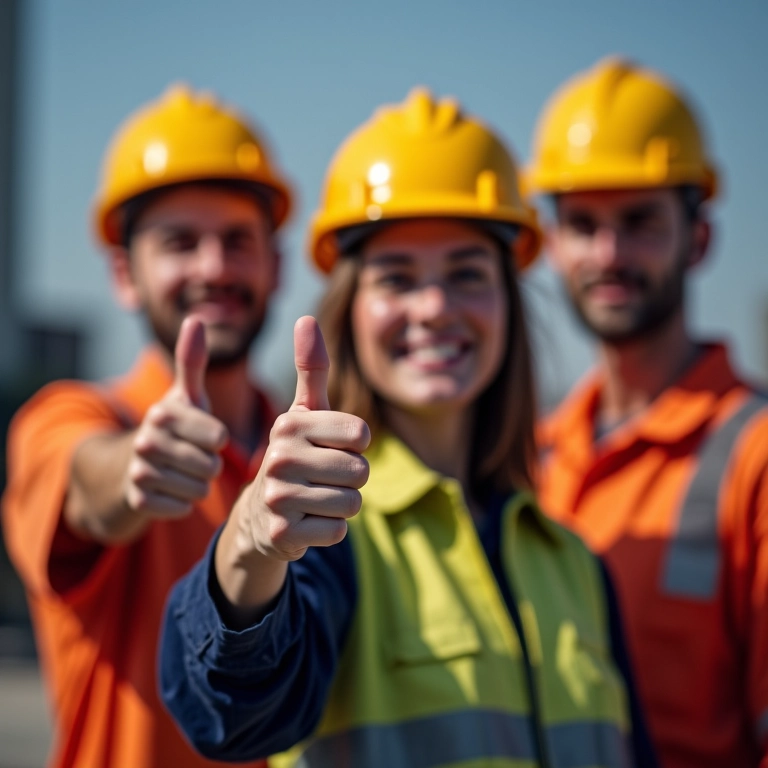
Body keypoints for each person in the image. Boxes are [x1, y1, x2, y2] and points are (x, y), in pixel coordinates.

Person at [159, 87, 656, 768]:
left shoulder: (575, 566)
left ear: (509, 306)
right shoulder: (326, 538)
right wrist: (249, 544)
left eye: (466, 272)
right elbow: (231, 715)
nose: (433, 306)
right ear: (350, 313)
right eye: (396, 278)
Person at [2, 84, 292, 768]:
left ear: (276, 266)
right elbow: (86, 481)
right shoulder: (75, 418)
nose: (214, 267)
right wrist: (135, 468)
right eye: (180, 242)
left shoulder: (310, 452)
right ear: (124, 273)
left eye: (237, 241)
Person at [527, 57, 768, 768]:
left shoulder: (754, 452)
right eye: (583, 224)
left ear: (700, 238)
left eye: (639, 222)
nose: (609, 252)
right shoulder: (532, 455)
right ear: (551, 247)